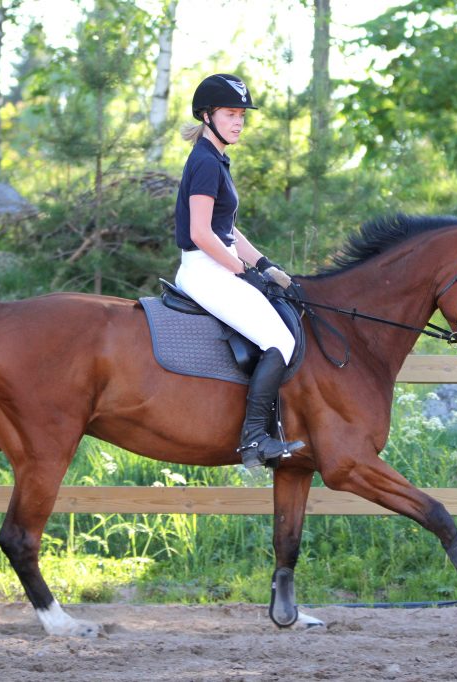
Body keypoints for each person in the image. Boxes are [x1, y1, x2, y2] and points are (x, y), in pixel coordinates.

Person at [173, 73, 304, 469]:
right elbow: (200, 232)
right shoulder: (205, 162)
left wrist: (264, 264)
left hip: (215, 265)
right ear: (207, 115)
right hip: (204, 269)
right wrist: (242, 272)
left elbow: (225, 228)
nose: (238, 122)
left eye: (242, 116)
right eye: (231, 114)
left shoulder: (215, 159)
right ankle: (254, 441)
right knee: (280, 341)